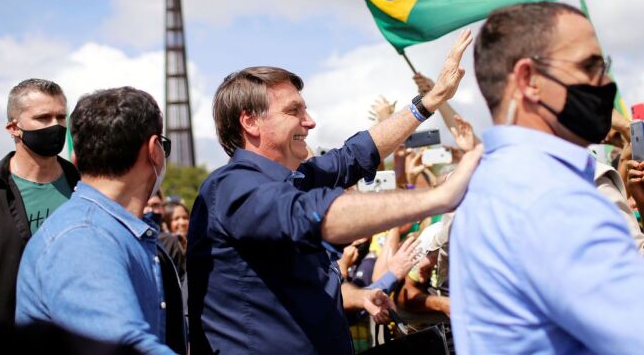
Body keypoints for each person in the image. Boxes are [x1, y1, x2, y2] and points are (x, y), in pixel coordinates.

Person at [187, 31, 482, 355]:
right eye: (293, 111)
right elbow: (310, 214)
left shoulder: (296, 179)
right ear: (251, 122)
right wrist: (438, 197)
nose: (310, 122)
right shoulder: (231, 187)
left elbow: (355, 155)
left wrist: (430, 101)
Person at [449, 1, 644, 354]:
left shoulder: (501, 183)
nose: (605, 83)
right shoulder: (552, 199)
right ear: (529, 80)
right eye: (591, 67)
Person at [16, 87, 185, 354]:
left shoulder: (114, 232)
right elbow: (125, 347)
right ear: (154, 150)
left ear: (75, 158)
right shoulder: (83, 238)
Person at [0, 79, 79, 324]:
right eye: (43, 118)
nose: (56, 126)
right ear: (13, 128)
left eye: (61, 117)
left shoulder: (83, 185)